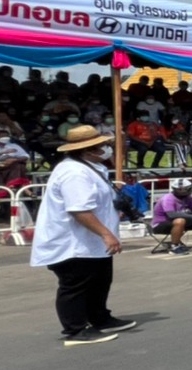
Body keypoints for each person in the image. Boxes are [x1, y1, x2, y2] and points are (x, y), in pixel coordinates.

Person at [29, 124, 138, 344]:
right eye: (101, 146)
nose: (106, 149)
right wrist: (107, 234)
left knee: (99, 281)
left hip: (92, 242)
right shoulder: (74, 173)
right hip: (73, 243)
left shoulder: (91, 167)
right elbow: (79, 210)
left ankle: (99, 318)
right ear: (87, 150)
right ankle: (75, 330)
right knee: (75, 285)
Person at [149, 177, 192, 254]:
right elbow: (171, 215)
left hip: (180, 222)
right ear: (180, 190)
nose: (191, 191)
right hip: (160, 225)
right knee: (180, 221)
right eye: (188, 189)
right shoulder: (168, 198)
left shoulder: (188, 198)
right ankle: (174, 246)